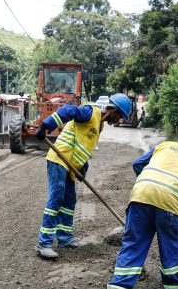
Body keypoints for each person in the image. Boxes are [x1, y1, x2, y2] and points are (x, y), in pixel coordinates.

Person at [102, 130, 178, 289]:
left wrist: (150, 184)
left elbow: (138, 164)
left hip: (141, 196)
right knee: (170, 247)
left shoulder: (165, 145)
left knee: (133, 246)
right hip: (169, 205)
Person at [34, 93, 133, 260]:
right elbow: (68, 109)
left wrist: (83, 169)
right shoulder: (89, 112)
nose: (118, 120)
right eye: (119, 116)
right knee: (56, 198)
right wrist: (46, 125)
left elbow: (84, 148)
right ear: (113, 110)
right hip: (59, 159)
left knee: (69, 201)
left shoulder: (99, 126)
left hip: (71, 166)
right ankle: (44, 243)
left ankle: (65, 238)